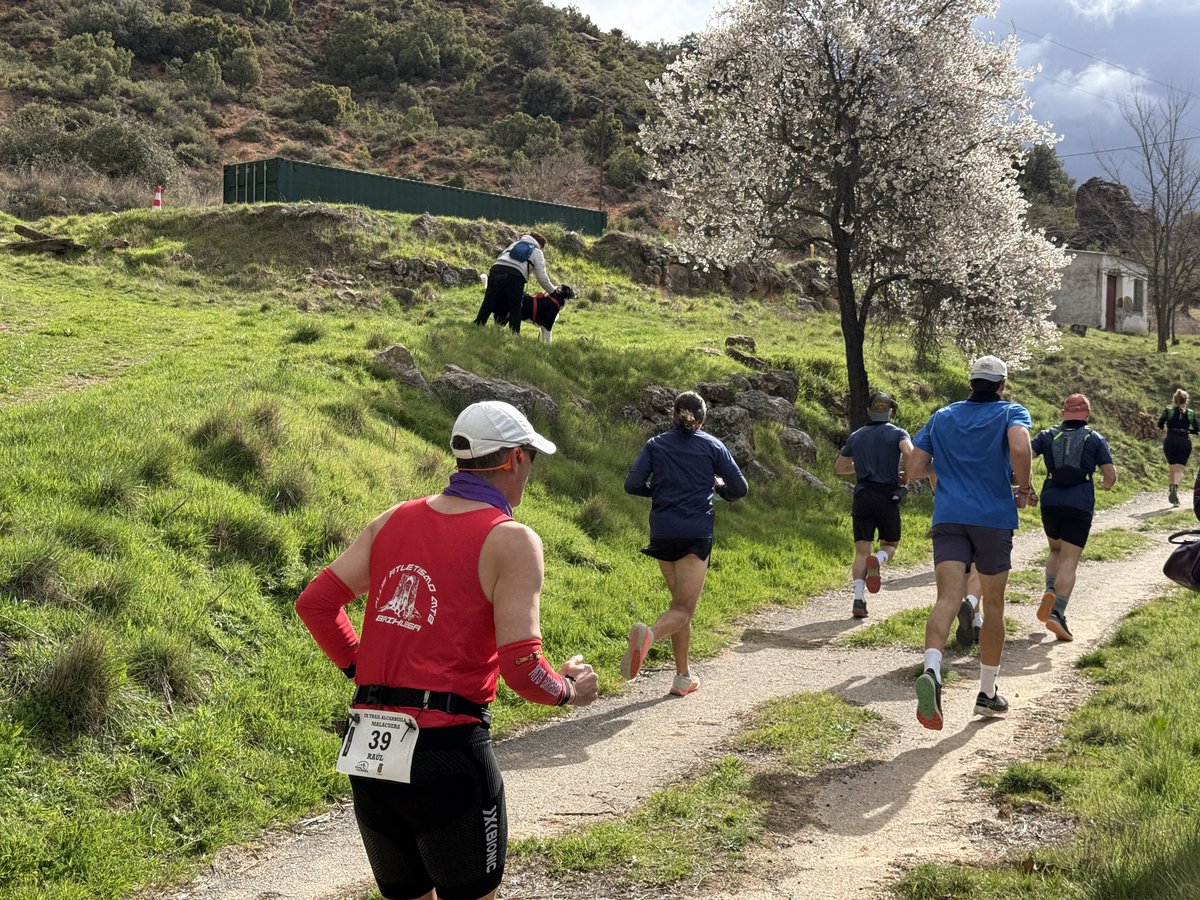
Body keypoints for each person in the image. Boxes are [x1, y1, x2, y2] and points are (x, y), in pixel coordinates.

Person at [295, 400, 598, 900]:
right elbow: (522, 669)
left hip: (370, 747)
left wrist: (364, 668)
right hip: (447, 751)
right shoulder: (511, 540)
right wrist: (569, 689)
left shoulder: (392, 520)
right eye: (532, 461)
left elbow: (316, 605)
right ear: (516, 459)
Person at [906, 355, 1034, 731]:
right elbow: (1021, 446)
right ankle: (986, 692)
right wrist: (1023, 487)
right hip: (992, 520)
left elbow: (914, 468)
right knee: (993, 605)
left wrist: (945, 472)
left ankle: (932, 669)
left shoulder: (943, 416)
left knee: (946, 599)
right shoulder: (1011, 412)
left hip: (948, 516)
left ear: (971, 382)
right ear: (1002, 384)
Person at [621, 391, 748, 696]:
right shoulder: (712, 445)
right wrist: (716, 490)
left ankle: (682, 676)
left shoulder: (656, 444)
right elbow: (740, 488)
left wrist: (661, 490)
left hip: (662, 531)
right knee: (683, 609)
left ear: (673, 415)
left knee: (679, 605)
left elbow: (632, 484)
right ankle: (649, 635)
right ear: (702, 419)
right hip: (695, 533)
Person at [1031, 393, 1117, 643]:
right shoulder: (1095, 438)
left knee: (1055, 550)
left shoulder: (1047, 435)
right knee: (1070, 558)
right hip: (1079, 501)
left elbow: (1024, 454)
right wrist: (1105, 484)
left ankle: (1049, 589)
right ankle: (1057, 612)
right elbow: (1110, 476)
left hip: (1051, 500)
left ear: (1063, 413)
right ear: (1087, 414)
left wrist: (1024, 484)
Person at [833, 391, 914, 618]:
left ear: (869, 411)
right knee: (891, 544)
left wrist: (859, 468)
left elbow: (839, 468)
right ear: (889, 412)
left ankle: (859, 599)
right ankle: (877, 560)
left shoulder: (856, 436)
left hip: (863, 495)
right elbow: (910, 452)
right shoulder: (898, 433)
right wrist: (906, 478)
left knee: (861, 551)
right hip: (887, 495)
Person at [473, 231, 557, 335]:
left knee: (489, 301)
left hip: (496, 270)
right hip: (515, 276)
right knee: (515, 306)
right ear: (540, 244)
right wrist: (553, 291)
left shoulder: (515, 244)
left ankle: (478, 325)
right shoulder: (537, 251)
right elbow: (541, 276)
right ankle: (514, 334)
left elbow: (500, 257)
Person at [1157, 388, 1197, 506]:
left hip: (1170, 440)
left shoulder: (1168, 410)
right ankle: (1174, 488)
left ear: (1174, 399)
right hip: (1184, 441)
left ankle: (1173, 496)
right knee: (1179, 469)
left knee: (1172, 468)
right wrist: (1186, 430)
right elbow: (1196, 430)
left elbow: (1160, 424)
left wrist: (1165, 429)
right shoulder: (1190, 413)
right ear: (1186, 400)